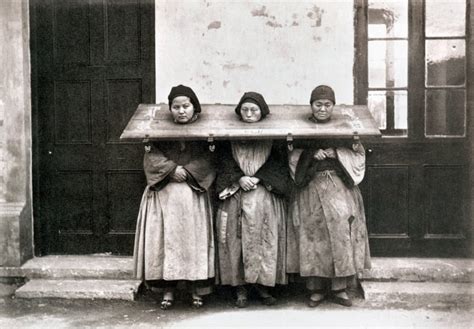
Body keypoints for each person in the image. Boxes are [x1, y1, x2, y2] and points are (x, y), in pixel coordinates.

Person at [286, 85, 371, 307]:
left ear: (333, 106)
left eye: (327, 105)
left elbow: (358, 153)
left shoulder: (346, 130)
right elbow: (292, 154)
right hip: (311, 187)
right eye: (318, 104)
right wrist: (311, 154)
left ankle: (340, 288)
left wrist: (337, 153)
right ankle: (316, 289)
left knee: (341, 234)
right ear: (311, 106)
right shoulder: (300, 130)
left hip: (339, 187)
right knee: (312, 235)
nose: (322, 109)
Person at [133, 85, 216, 309]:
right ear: (169, 109)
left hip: (193, 197)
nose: (181, 111)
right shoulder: (157, 134)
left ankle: (195, 289)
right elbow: (151, 158)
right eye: (176, 107)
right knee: (166, 241)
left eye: (185, 106)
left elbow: (209, 160)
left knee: (192, 242)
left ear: (194, 109)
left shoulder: (205, 136)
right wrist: (171, 170)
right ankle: (167, 290)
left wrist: (187, 172)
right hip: (164, 195)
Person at [215, 92, 289, 308]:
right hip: (235, 195)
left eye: (254, 110)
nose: (249, 114)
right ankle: (240, 288)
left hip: (263, 196)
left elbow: (279, 163)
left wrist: (258, 177)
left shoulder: (275, 139)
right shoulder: (227, 138)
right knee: (236, 241)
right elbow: (222, 161)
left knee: (263, 240)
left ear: (262, 113)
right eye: (245, 110)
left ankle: (263, 285)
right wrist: (239, 178)